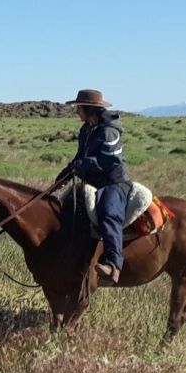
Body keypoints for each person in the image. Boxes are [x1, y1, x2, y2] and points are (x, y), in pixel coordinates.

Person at [56, 89, 132, 286]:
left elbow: (110, 163)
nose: (76, 112)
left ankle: (113, 265)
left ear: (88, 109)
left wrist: (83, 165)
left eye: (78, 108)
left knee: (108, 212)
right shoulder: (86, 130)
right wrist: (64, 175)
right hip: (92, 182)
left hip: (113, 183)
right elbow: (79, 158)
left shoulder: (109, 131)